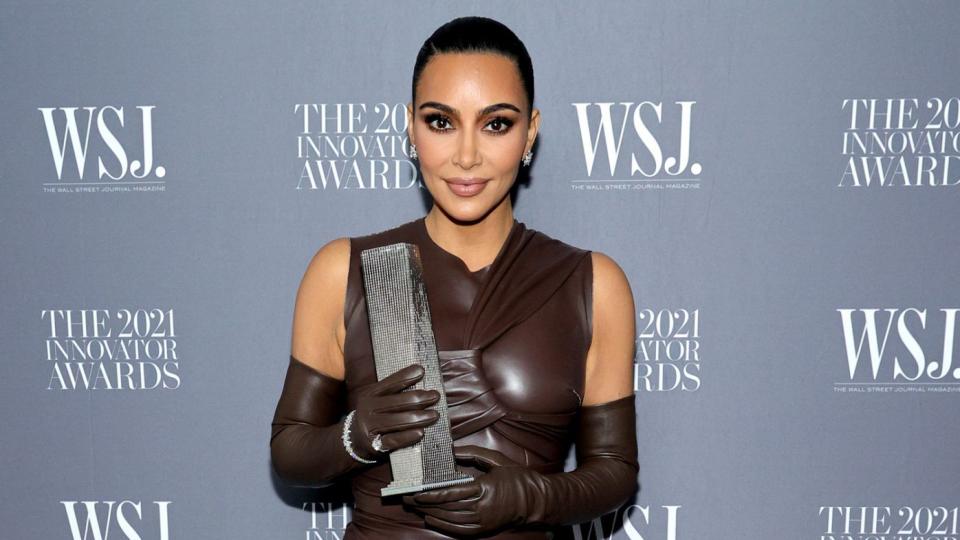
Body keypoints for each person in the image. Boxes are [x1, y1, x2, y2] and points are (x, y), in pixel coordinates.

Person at [271, 16, 639, 539]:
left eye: (496, 124)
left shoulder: (593, 284)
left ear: (530, 130)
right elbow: (290, 454)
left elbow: (616, 472)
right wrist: (359, 433)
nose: (466, 156)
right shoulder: (344, 269)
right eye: (441, 122)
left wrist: (530, 497)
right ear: (410, 127)